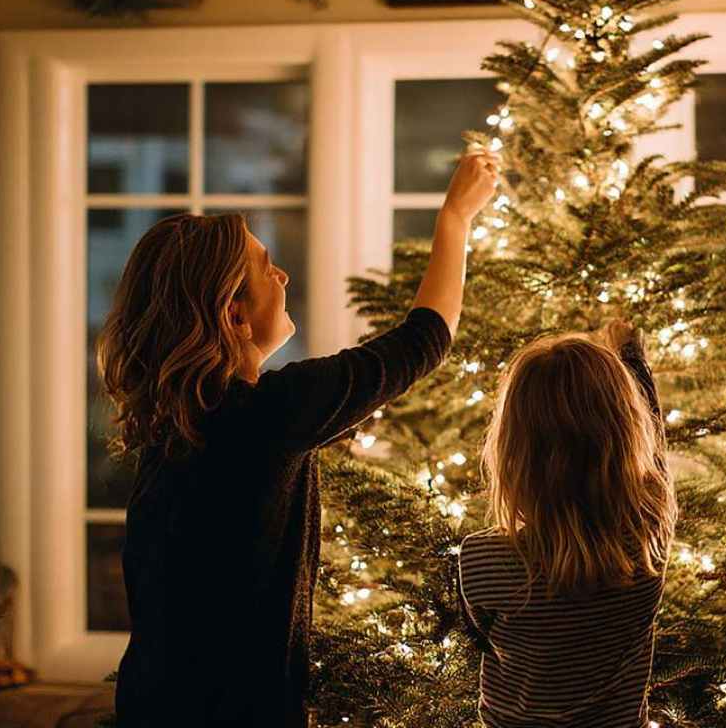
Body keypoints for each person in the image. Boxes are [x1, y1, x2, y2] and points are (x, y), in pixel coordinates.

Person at [101, 150, 500, 727]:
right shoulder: (269, 415)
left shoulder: (175, 427)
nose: (281, 275)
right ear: (232, 313)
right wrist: (456, 218)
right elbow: (425, 339)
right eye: (266, 266)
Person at [458, 320, 676, 728]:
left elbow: (480, 633)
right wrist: (633, 360)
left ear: (512, 450)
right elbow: (656, 465)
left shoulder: (480, 559)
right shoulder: (647, 545)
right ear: (629, 437)